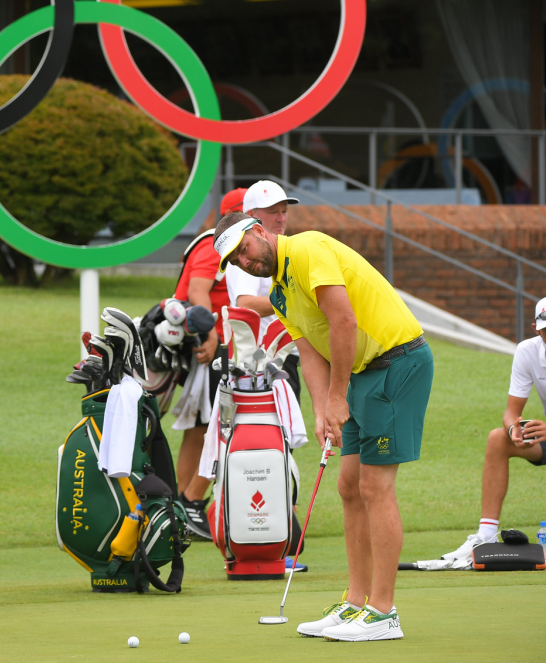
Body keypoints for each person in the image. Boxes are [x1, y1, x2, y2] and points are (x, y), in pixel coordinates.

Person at [215, 211, 432, 642]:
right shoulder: (279, 295)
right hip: (361, 374)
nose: (245, 261)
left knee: (374, 487)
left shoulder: (309, 249)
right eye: (236, 261)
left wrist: (338, 397)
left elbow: (344, 321)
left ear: (261, 232)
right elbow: (311, 352)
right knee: (349, 486)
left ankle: (383, 612)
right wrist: (322, 410)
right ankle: (355, 602)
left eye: (244, 249)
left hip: (398, 361)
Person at [439, 296, 546, 566]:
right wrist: (513, 429)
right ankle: (486, 535)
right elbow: (511, 411)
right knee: (498, 438)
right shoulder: (527, 351)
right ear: (536, 328)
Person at [170, 188, 244, 539]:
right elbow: (198, 292)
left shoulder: (217, 243)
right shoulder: (216, 245)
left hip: (207, 345)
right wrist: (213, 333)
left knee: (201, 428)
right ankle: (193, 501)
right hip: (211, 347)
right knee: (221, 426)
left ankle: (182, 505)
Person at [223, 179, 302, 399]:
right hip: (264, 360)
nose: (281, 217)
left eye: (284, 211)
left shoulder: (274, 249)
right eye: (272, 211)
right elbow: (246, 305)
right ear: (251, 215)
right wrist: (297, 302)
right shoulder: (248, 253)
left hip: (281, 358)